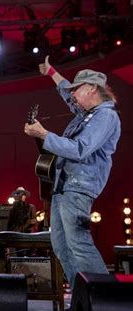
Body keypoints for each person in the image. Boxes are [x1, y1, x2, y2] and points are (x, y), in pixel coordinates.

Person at [24, 56, 121, 290]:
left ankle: (102, 300)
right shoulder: (86, 115)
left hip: (78, 187)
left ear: (91, 89)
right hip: (64, 186)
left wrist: (44, 135)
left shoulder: (105, 116)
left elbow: (80, 149)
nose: (73, 95)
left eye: (77, 90)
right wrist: (51, 72)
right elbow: (66, 94)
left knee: (78, 243)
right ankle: (81, 298)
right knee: (61, 245)